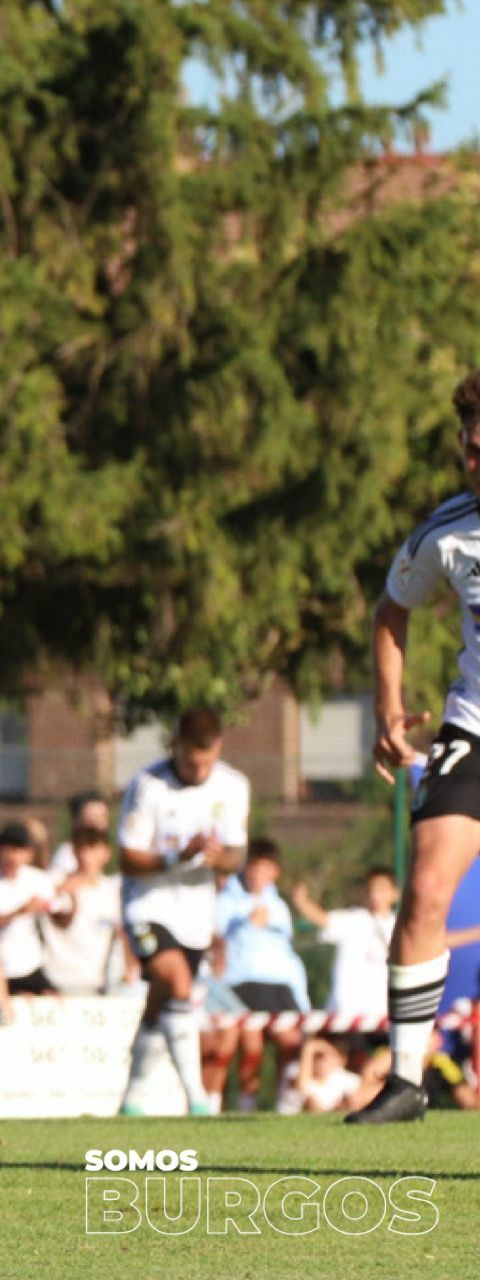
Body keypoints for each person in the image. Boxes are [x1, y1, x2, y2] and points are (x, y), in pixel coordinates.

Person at [353, 367, 480, 1122]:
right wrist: (388, 708)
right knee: (428, 888)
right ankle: (406, 1081)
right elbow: (392, 608)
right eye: (471, 448)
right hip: (474, 727)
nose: (477, 460)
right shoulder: (450, 531)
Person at [116, 708, 250, 1117]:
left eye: (207, 762)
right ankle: (197, 1100)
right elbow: (127, 858)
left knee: (161, 1001)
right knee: (176, 981)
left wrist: (217, 857)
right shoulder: (148, 786)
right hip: (148, 904)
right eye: (192, 762)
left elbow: (236, 855)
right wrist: (178, 855)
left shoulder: (233, 785)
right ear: (176, 746)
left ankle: (133, 1097)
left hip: (195, 913)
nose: (199, 770)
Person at [205, 840, 307, 1112]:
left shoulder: (279, 907)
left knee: (291, 1042)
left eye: (264, 869)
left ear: (275, 872)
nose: (256, 875)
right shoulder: (226, 901)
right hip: (240, 983)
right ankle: (234, 1104)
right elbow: (216, 939)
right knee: (247, 1041)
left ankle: (287, 1104)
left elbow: (287, 955)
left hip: (277, 986)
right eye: (252, 868)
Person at [0, 822, 60, 995]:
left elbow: (58, 909)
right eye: (9, 850)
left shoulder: (37, 879)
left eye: (19, 851)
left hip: (30, 965)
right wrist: (18, 912)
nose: (13, 857)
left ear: (29, 854)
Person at [291, 869, 397, 1025]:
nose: (375, 894)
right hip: (346, 1014)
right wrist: (301, 902)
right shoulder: (355, 920)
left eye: (381, 888)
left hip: (382, 1017)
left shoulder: (400, 926)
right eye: (371, 889)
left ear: (395, 893)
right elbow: (323, 919)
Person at [40, 826, 129, 995]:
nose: (87, 856)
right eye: (82, 849)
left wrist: (130, 966)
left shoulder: (111, 890)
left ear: (106, 853)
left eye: (94, 849)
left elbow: (121, 932)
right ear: (74, 852)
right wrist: (63, 893)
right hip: (56, 978)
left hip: (96, 980)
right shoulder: (55, 882)